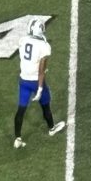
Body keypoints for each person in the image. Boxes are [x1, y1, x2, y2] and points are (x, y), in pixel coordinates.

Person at [13, 18, 66, 148]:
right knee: (45, 106)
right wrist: (40, 88)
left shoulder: (23, 40)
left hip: (23, 80)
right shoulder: (44, 46)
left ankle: (17, 138)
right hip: (35, 81)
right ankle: (52, 128)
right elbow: (41, 70)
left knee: (21, 109)